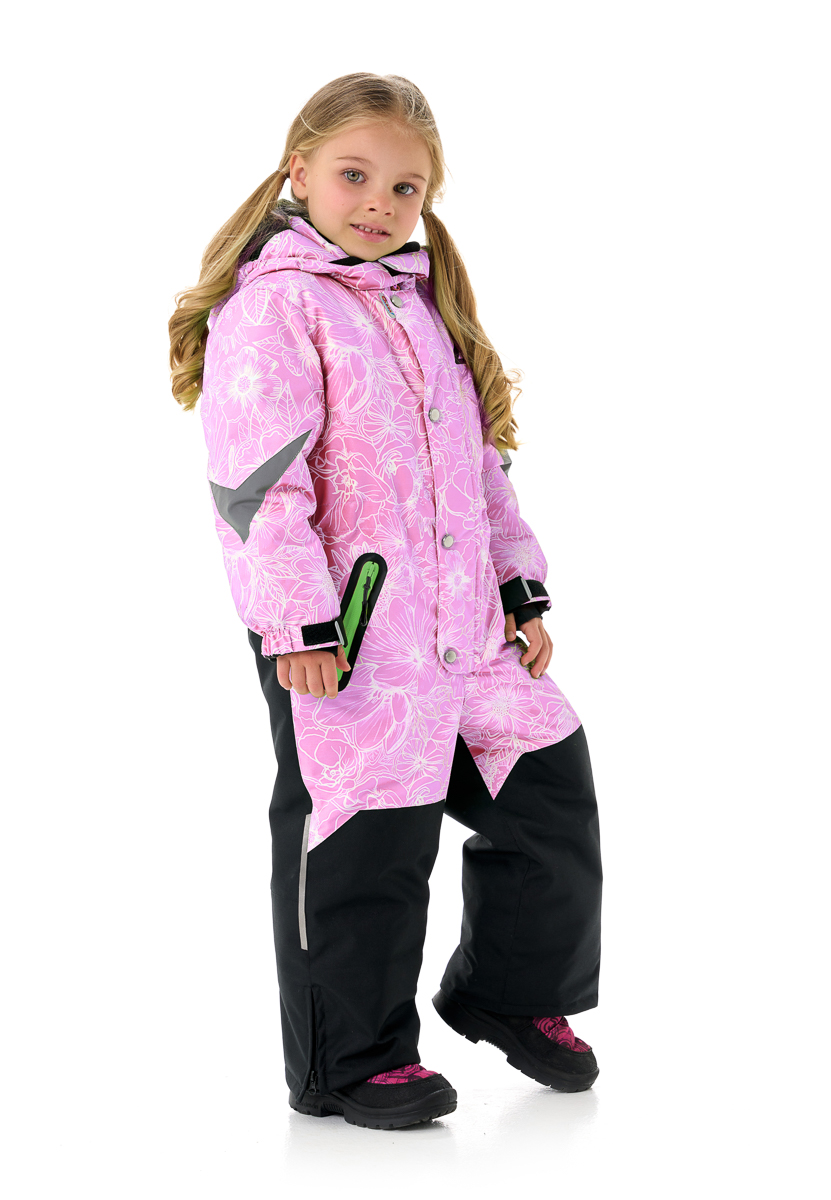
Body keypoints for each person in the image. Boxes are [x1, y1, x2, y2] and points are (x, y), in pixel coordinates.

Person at [168, 72, 603, 1131]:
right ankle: (348, 1061)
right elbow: (259, 486)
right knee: (368, 843)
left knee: (549, 799)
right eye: (354, 175)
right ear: (299, 170)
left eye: (405, 188)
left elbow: (480, 467)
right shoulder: (273, 308)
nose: (378, 202)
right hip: (351, 635)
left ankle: (508, 992)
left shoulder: (422, 302)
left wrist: (520, 587)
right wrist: (297, 624)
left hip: (472, 628)